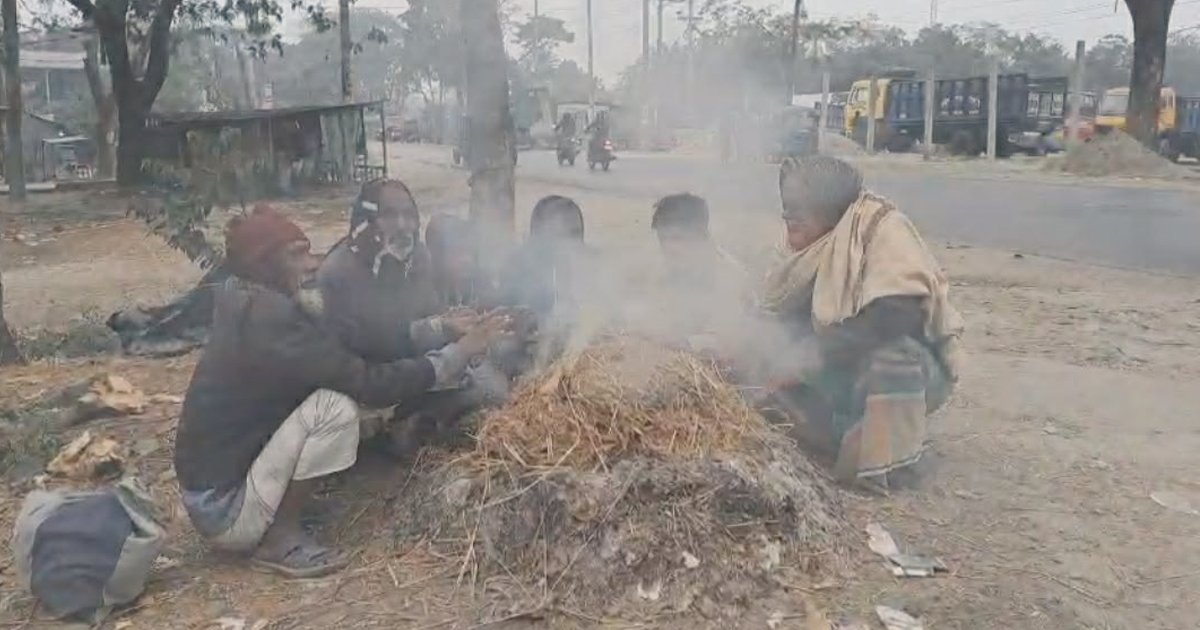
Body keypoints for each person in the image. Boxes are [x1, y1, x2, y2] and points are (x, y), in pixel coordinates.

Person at [174, 204, 504, 578]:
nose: (312, 264)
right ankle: (278, 538)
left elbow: (350, 338)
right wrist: (458, 354)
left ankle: (272, 510)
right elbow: (369, 383)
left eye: (308, 251)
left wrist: (438, 328)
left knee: (334, 399)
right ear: (265, 263)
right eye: (296, 255)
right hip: (224, 511)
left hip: (212, 492)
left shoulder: (252, 297)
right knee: (336, 408)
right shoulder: (269, 319)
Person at [759, 156, 963, 492]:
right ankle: (839, 437)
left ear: (827, 207)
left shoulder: (879, 228)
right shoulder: (796, 251)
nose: (786, 216)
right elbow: (779, 320)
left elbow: (898, 314)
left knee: (892, 358)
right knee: (753, 376)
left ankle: (889, 464)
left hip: (911, 371)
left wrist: (807, 358)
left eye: (797, 207)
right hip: (837, 371)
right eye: (785, 205)